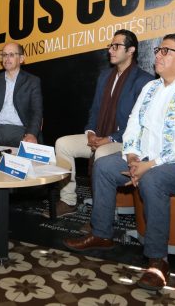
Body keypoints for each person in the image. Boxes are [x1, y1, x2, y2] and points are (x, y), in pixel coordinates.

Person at [63, 33, 175, 292]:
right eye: (158, 50)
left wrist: (151, 164)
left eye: (166, 51)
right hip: (145, 160)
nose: (158, 55)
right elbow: (133, 127)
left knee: (153, 178)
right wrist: (133, 156)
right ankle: (101, 234)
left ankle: (158, 261)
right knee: (104, 166)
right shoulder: (151, 88)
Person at [53, 30, 153, 217]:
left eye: (116, 46)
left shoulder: (144, 81)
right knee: (62, 144)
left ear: (131, 50)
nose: (110, 50)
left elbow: (140, 125)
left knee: (101, 153)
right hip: (100, 135)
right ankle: (68, 200)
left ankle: (102, 214)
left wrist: (110, 138)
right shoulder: (105, 76)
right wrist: (91, 132)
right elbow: (95, 110)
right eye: (110, 46)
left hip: (125, 142)